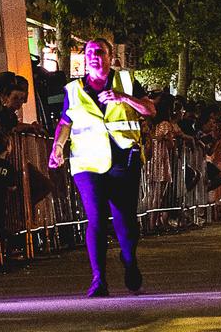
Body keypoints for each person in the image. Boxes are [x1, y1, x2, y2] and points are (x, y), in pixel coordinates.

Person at [48, 39, 156, 297]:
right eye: (89, 53)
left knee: (125, 220)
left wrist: (124, 98)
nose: (94, 57)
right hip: (87, 164)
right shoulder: (74, 89)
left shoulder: (127, 82)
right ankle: (99, 279)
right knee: (95, 218)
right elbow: (66, 122)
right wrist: (58, 147)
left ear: (110, 57)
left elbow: (150, 110)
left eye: (99, 52)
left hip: (122, 162)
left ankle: (129, 261)